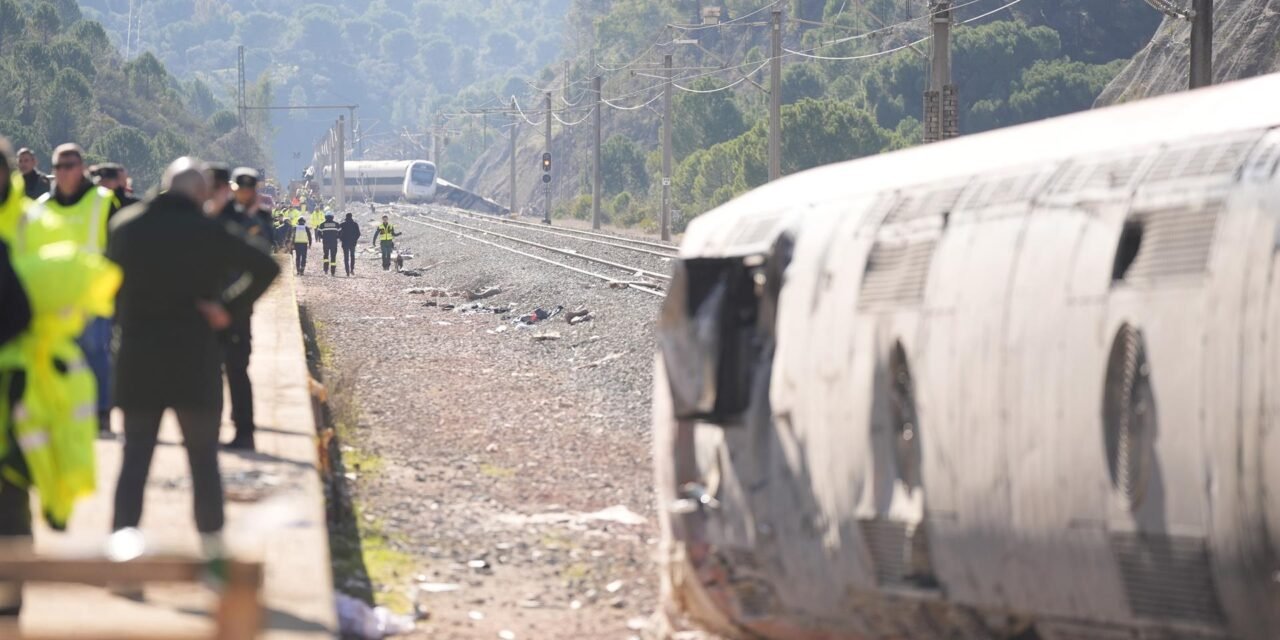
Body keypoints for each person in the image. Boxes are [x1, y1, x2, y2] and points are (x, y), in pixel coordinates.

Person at [108, 157, 279, 548]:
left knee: (134, 462)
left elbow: (108, 283)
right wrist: (228, 310)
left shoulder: (126, 227)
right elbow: (266, 268)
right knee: (203, 463)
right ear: (202, 195)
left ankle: (123, 555)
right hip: (194, 359)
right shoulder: (210, 231)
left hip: (138, 359)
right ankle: (213, 559)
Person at [20, 144, 119, 434]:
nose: (65, 172)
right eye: (59, 166)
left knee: (95, 352)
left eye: (71, 165)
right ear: (52, 170)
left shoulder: (103, 200)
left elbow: (116, 247)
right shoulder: (41, 208)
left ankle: (101, 414)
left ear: (82, 167)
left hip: (92, 296)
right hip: (53, 299)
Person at [213, 166, 274, 451]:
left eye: (251, 189)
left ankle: (243, 427)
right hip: (218, 297)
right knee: (215, 368)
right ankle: (215, 426)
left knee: (237, 366)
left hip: (239, 303)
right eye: (242, 188)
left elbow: (264, 256)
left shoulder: (258, 219)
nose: (247, 193)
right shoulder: (221, 216)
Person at [338, 212, 361, 276]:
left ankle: (347, 272)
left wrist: (341, 239)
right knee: (352, 256)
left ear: (346, 217)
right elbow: (358, 234)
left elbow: (338, 233)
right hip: (353, 243)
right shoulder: (355, 224)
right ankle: (352, 269)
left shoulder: (342, 224)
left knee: (346, 257)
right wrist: (355, 240)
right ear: (351, 217)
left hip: (345, 243)